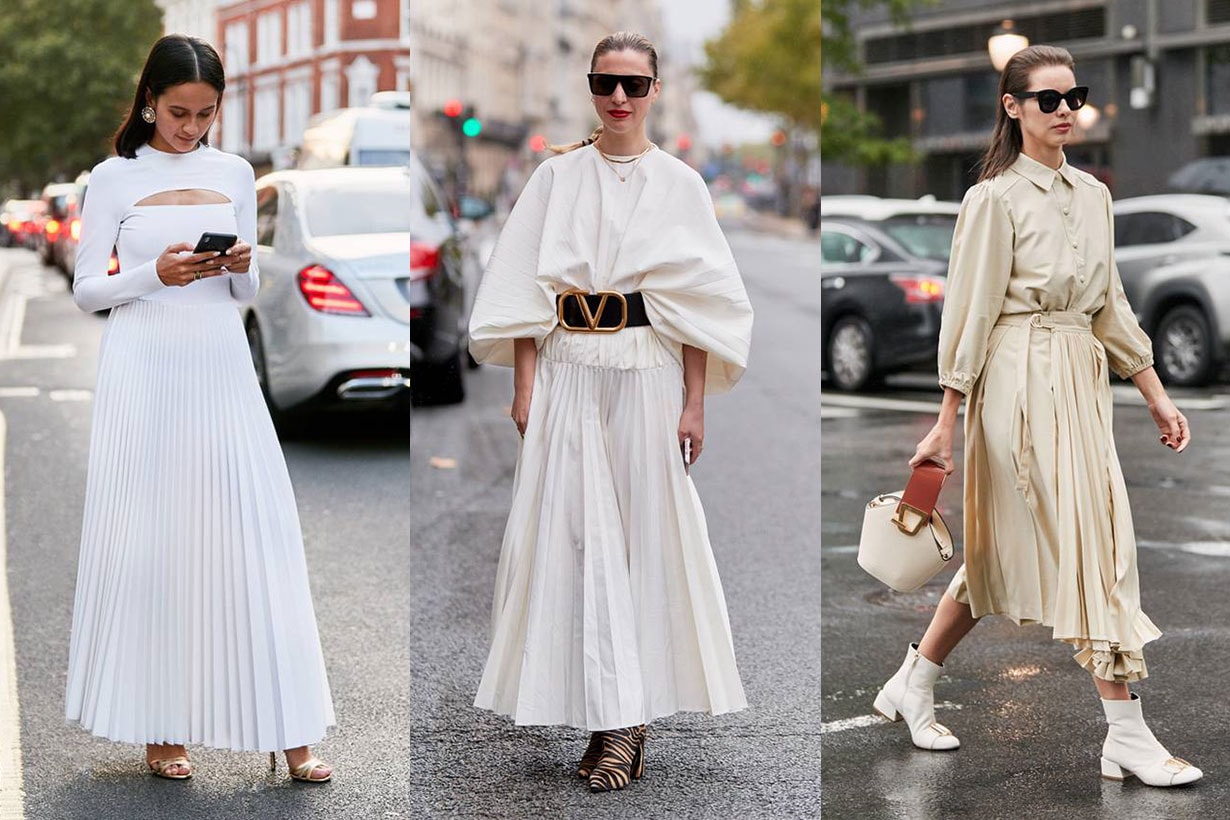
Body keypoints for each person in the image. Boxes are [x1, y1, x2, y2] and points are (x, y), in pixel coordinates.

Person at [873, 44, 1201, 788]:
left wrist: (1155, 392)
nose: (1063, 110)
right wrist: (945, 419)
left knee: (1000, 553)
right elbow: (970, 313)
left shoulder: (1094, 194)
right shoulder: (993, 199)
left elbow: (1110, 304)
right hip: (1016, 384)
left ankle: (912, 682)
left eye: (1071, 96)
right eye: (1046, 98)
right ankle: (1127, 733)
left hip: (1080, 381)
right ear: (1012, 107)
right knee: (1094, 546)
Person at [468, 31, 754, 793]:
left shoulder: (682, 185)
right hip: (568, 371)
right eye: (605, 83)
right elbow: (527, 294)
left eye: (633, 84)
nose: (618, 97)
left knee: (638, 541)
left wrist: (695, 405)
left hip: (645, 372)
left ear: (656, 89)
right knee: (574, 540)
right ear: (590, 87)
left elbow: (696, 309)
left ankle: (624, 724)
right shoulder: (555, 178)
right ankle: (606, 714)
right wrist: (524, 387)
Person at [65, 34, 334, 783]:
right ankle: (161, 726)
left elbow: (243, 296)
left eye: (205, 113)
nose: (190, 127)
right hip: (144, 369)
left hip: (220, 366)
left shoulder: (236, 172)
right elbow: (88, 288)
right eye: (178, 111)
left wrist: (244, 264)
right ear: (150, 99)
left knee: (257, 532)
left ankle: (291, 730)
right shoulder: (114, 178)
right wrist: (156, 272)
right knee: (155, 543)